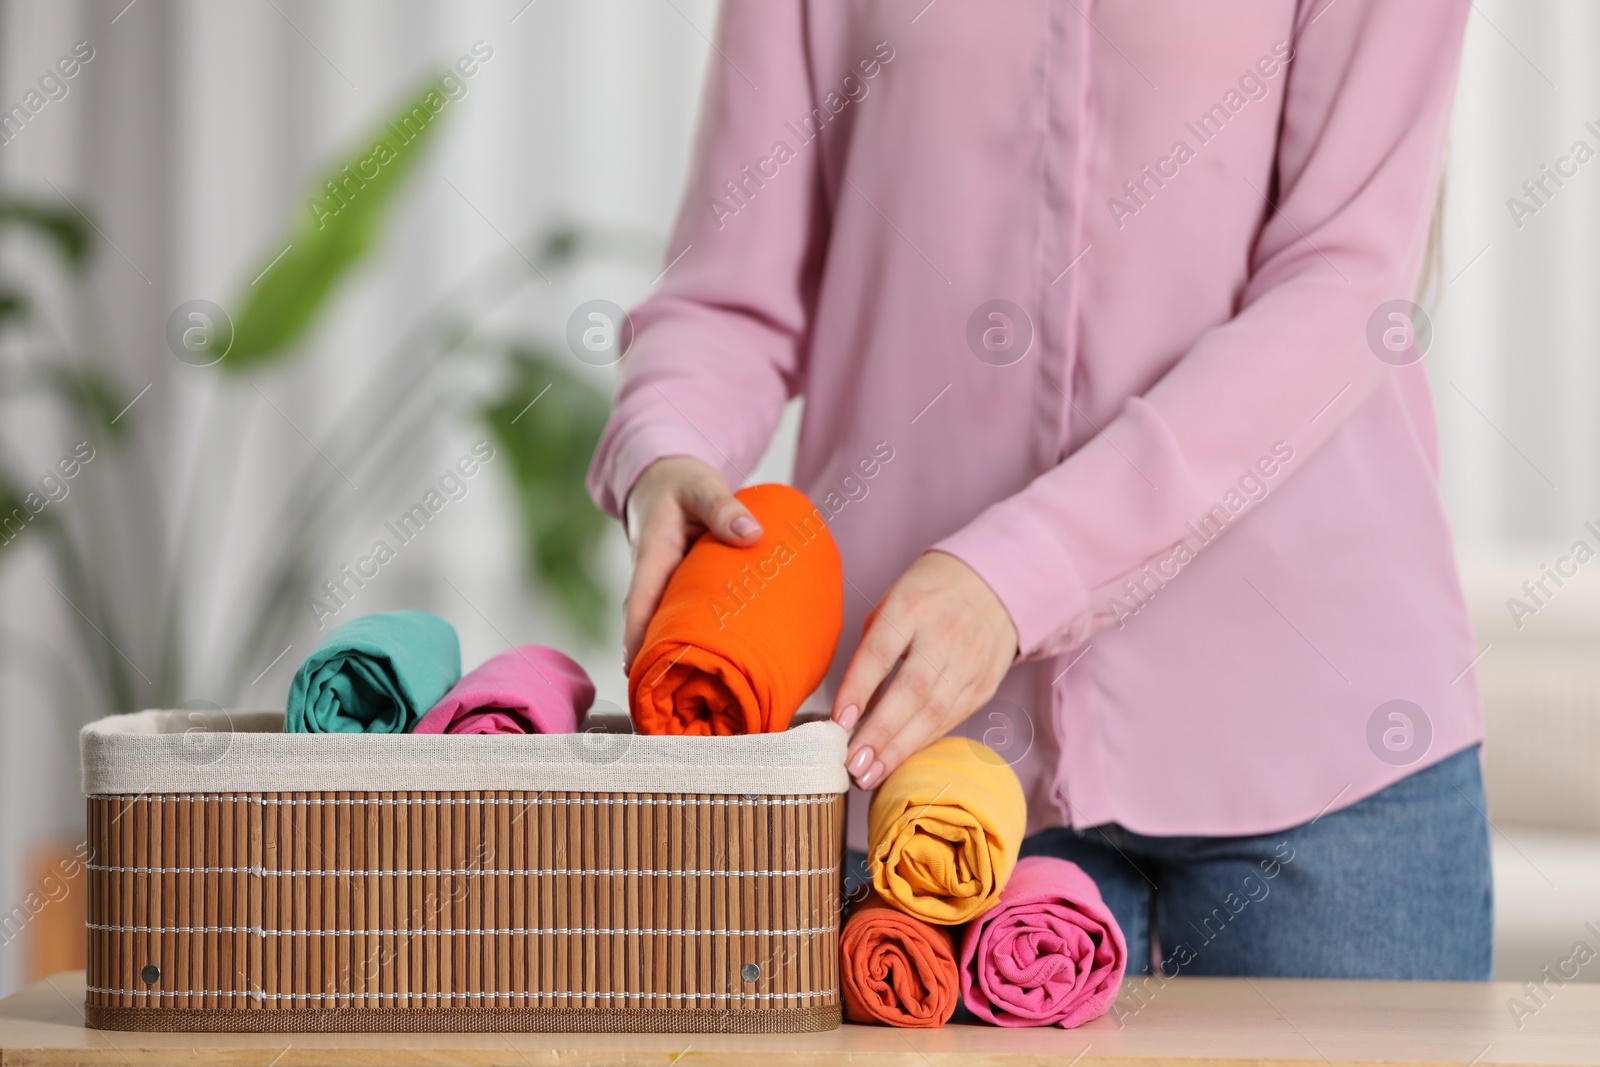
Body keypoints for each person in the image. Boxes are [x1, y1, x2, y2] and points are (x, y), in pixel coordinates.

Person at [587, 0, 1490, 979]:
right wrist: (667, 445)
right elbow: (729, 292)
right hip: (922, 770)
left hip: (1329, 764)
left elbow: (1344, 282)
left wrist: (1021, 571)